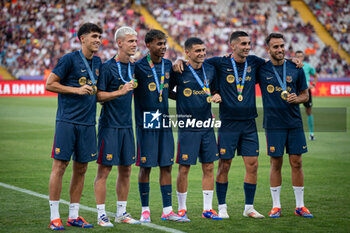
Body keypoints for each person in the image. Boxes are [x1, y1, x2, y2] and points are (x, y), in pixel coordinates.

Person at [46, 23, 103, 231]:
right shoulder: (69, 59)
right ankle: (54, 217)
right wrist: (76, 90)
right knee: (60, 167)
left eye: (100, 37)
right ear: (82, 39)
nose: (98, 40)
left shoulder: (98, 62)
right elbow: (50, 84)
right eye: (94, 36)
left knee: (82, 169)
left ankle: (73, 215)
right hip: (67, 121)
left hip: (88, 123)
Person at [258, 33, 313, 218]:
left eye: (282, 46)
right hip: (274, 124)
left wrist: (297, 98)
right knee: (276, 163)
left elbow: (305, 95)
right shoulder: (261, 69)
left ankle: (300, 206)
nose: (280, 49)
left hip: (294, 122)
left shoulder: (295, 68)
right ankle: (276, 206)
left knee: (297, 162)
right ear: (268, 50)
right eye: (275, 47)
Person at [133, 29, 185, 223]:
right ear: (148, 45)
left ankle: (167, 210)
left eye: (165, 44)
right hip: (147, 120)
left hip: (163, 119)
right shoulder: (138, 67)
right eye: (159, 44)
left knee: (166, 165)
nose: (163, 47)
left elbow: (170, 91)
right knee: (146, 166)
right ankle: (145, 210)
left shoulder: (168, 65)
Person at [169, 37, 222, 221]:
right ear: (187, 53)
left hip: (207, 125)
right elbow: (170, 92)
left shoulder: (210, 69)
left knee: (209, 166)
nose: (202, 53)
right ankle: (182, 209)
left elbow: (215, 90)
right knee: (184, 168)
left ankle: (207, 209)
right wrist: (186, 100)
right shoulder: (178, 70)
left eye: (203, 50)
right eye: (197, 51)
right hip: (188, 126)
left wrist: (216, 96)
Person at [93, 26, 139, 227]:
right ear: (119, 43)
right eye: (131, 41)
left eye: (136, 41)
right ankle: (101, 214)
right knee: (104, 171)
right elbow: (98, 96)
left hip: (127, 126)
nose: (135, 44)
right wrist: (119, 93)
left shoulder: (133, 66)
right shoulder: (107, 67)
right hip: (109, 125)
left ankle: (121, 212)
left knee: (126, 170)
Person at [295, 50, 317, 141]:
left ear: (303, 57)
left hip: (306, 91)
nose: (299, 58)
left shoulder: (307, 66)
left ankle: (311, 134)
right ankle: (296, 133)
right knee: (294, 112)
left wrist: (313, 84)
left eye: (301, 56)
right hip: (295, 91)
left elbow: (315, 75)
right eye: (298, 56)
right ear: (295, 56)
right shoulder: (291, 65)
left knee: (308, 112)